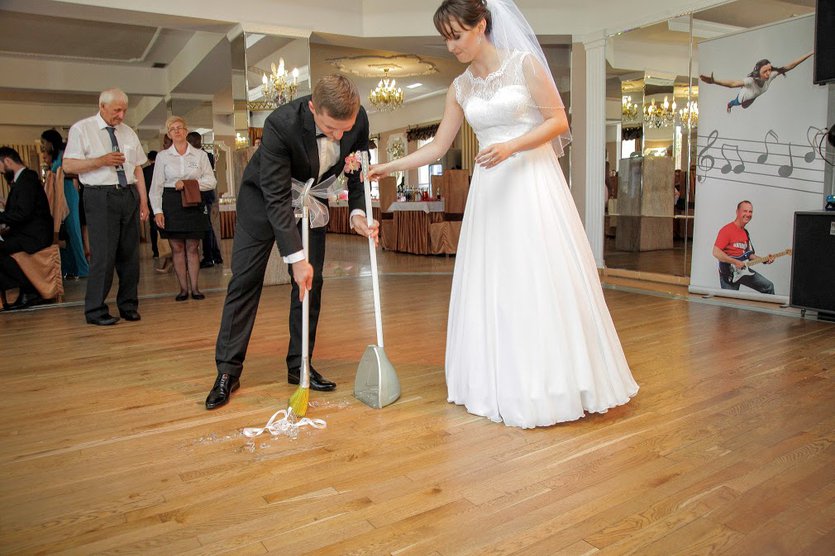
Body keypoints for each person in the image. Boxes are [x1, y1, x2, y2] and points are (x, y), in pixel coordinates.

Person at [367, 0, 638, 428]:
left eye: (457, 35)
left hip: (531, 182)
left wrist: (513, 145)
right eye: (446, 38)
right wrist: (388, 167)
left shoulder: (524, 64)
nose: (451, 45)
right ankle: (495, 381)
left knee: (536, 277)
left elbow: (559, 123)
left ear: (482, 26)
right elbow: (437, 147)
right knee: (495, 282)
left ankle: (551, 383)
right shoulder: (459, 87)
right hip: (490, 192)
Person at [205, 74, 375, 410]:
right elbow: (276, 197)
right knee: (245, 280)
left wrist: (357, 211)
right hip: (265, 200)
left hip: (314, 200)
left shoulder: (358, 119)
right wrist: (295, 258)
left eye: (345, 129)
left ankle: (300, 363)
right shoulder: (280, 124)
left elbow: (358, 168)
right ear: (313, 108)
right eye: (331, 129)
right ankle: (227, 371)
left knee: (312, 284)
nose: (339, 136)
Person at [63, 88, 149, 326]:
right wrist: (100, 161)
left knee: (130, 255)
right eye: (116, 110)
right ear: (102, 106)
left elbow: (138, 168)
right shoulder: (82, 129)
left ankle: (128, 305)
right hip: (100, 196)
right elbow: (69, 166)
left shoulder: (129, 132)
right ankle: (95, 310)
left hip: (128, 194)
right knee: (104, 256)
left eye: (124, 110)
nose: (121, 115)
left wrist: (143, 200)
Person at [150, 116, 217, 301]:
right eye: (173, 129)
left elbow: (211, 181)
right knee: (177, 247)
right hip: (171, 201)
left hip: (194, 199)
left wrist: (189, 183)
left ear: (186, 131)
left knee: (193, 247)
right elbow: (156, 186)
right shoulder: (163, 157)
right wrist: (158, 211)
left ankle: (195, 288)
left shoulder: (200, 155)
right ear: (169, 134)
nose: (177, 131)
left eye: (180, 128)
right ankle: (183, 289)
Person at [0, 147, 53, 310]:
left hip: (34, 235)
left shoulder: (27, 179)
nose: (1, 172)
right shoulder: (22, 180)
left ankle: (29, 288)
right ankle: (25, 288)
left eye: (1, 167)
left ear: (8, 161)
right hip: (28, 232)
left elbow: (22, 214)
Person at [41, 129, 89, 280]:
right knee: (65, 233)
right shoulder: (55, 157)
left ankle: (83, 268)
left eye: (44, 142)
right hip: (60, 195)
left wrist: (60, 174)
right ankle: (69, 267)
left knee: (74, 232)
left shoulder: (65, 154)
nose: (43, 146)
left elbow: (77, 172)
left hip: (68, 193)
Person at [700, 53, 812, 113]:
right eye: (765, 71)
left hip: (754, 96)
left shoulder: (771, 75)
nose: (768, 73)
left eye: (769, 69)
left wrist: (810, 53)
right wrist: (714, 81)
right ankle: (729, 105)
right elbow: (733, 84)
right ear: (758, 72)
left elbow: (790, 66)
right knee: (736, 103)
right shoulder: (750, 81)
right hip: (744, 97)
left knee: (747, 105)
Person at [712, 200, 775, 294]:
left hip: (743, 271)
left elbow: (749, 255)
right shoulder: (727, 230)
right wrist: (735, 262)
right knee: (730, 307)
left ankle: (770, 309)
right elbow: (716, 252)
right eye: (745, 211)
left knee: (768, 287)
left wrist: (764, 259)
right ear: (737, 212)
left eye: (750, 212)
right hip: (729, 273)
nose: (748, 214)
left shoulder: (745, 233)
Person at [186, 131, 223, 269]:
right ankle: (215, 255)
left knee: (207, 228)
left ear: (195, 141)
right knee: (208, 228)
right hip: (200, 196)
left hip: (204, 196)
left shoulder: (206, 156)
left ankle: (210, 257)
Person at [143, 150, 160, 259]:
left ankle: (156, 251)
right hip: (162, 200)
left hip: (150, 201)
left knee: (153, 227)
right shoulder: (161, 170)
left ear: (149, 159)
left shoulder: (145, 171)